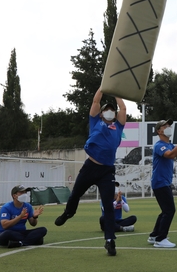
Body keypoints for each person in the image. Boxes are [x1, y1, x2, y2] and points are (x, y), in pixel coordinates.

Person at [54, 88, 126, 256]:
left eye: (111, 110)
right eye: (106, 110)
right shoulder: (95, 122)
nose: (109, 112)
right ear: (101, 114)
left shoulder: (119, 127)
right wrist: (103, 87)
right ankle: (68, 213)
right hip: (90, 167)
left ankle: (110, 240)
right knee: (75, 195)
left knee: (108, 205)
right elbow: (95, 102)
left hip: (107, 171)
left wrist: (116, 91)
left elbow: (123, 109)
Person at [147, 119, 177, 248]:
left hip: (164, 182)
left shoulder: (170, 144)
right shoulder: (159, 145)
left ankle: (154, 235)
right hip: (160, 182)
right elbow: (170, 155)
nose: (168, 128)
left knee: (165, 211)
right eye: (165, 126)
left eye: (169, 126)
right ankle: (160, 239)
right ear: (159, 131)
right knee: (169, 210)